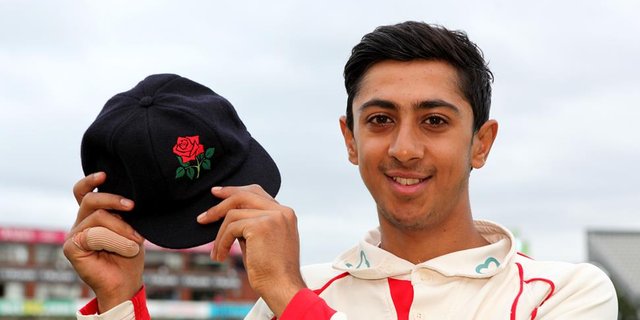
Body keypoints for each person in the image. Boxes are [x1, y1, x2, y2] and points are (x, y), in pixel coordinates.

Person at [65, 21, 618, 319]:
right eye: (380, 120)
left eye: (434, 121)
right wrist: (118, 302)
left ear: (481, 143)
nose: (403, 148)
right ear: (350, 140)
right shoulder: (284, 298)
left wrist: (291, 295)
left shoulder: (566, 294)